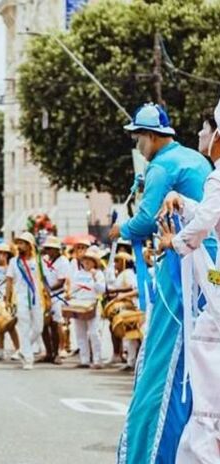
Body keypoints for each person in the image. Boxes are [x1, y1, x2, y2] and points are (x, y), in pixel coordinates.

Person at [113, 103, 212, 464]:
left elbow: (144, 221)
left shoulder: (163, 165)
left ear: (152, 137)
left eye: (139, 137)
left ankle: (152, 453)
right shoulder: (198, 164)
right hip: (207, 273)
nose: (138, 144)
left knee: (165, 362)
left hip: (188, 271)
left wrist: (120, 231)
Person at [157, 98, 220, 463]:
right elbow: (211, 214)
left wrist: (175, 242)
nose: (200, 133)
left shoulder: (217, 175)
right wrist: (182, 200)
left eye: (206, 127)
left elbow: (207, 218)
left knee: (208, 404)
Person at [5, 232, 44, 370]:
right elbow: (9, 281)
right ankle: (28, 359)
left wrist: (48, 297)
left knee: (39, 328)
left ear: (29, 245)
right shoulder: (14, 262)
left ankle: (22, 348)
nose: (19, 246)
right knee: (24, 327)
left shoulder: (38, 260)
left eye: (22, 243)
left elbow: (43, 280)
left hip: (36, 297)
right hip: (20, 298)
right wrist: (7, 299)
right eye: (18, 243)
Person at [67, 246, 106, 369]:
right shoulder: (77, 274)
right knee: (80, 333)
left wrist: (95, 278)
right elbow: (72, 289)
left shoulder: (98, 274)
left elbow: (102, 290)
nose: (87, 262)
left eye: (89, 260)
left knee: (94, 333)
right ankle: (84, 360)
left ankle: (97, 360)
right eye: (85, 260)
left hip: (92, 304)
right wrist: (69, 295)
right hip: (78, 304)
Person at [105, 252, 139, 369]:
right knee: (130, 336)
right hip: (124, 308)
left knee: (133, 335)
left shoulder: (128, 273)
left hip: (131, 307)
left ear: (124, 262)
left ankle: (132, 362)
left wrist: (117, 292)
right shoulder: (120, 274)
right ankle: (130, 361)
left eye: (117, 261)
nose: (115, 264)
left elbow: (133, 287)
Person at [40, 236, 70, 365]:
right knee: (43, 324)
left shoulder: (63, 261)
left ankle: (58, 352)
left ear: (57, 250)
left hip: (57, 296)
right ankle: (48, 352)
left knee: (56, 324)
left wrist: (48, 290)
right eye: (47, 249)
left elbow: (61, 282)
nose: (48, 251)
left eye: (50, 249)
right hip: (44, 297)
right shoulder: (44, 260)